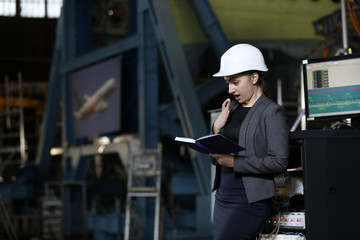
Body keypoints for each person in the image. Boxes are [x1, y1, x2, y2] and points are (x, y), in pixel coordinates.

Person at [209, 43, 289, 240]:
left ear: (254, 77)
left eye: (235, 82)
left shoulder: (272, 112)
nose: (230, 89)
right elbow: (216, 157)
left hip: (249, 201)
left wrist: (235, 162)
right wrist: (216, 130)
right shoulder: (233, 110)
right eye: (228, 83)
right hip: (223, 197)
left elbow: (279, 162)